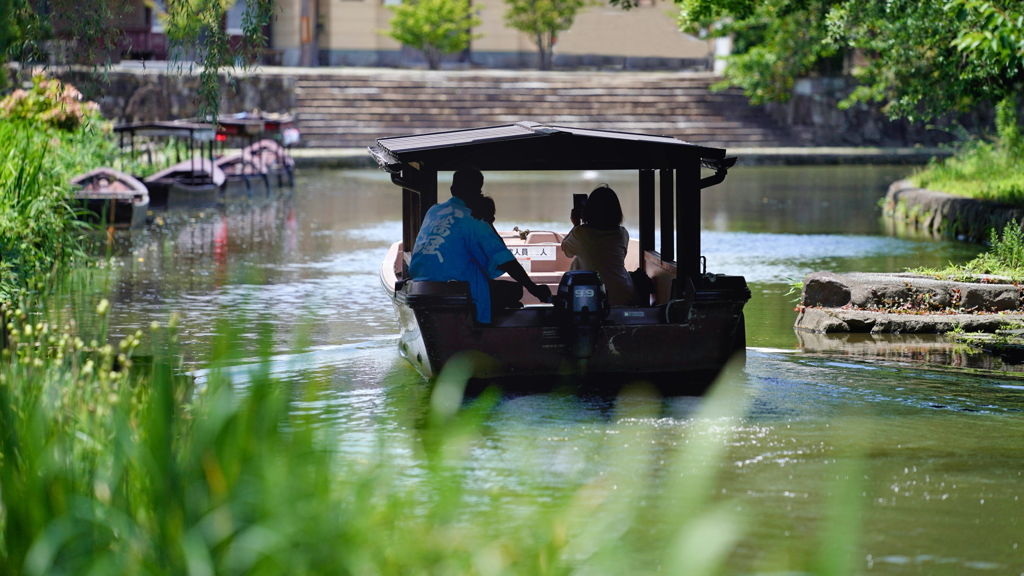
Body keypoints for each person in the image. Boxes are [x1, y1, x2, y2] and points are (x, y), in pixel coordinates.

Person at [409, 169, 551, 323]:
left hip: (421, 288)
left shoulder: (433, 211)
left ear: (452, 190)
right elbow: (504, 259)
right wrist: (533, 288)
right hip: (459, 291)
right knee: (515, 290)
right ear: (478, 191)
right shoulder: (473, 219)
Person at [561, 185, 641, 306]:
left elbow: (566, 250)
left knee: (577, 264)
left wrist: (576, 224)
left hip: (592, 297)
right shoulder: (622, 233)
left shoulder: (580, 233)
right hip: (624, 295)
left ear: (588, 210)